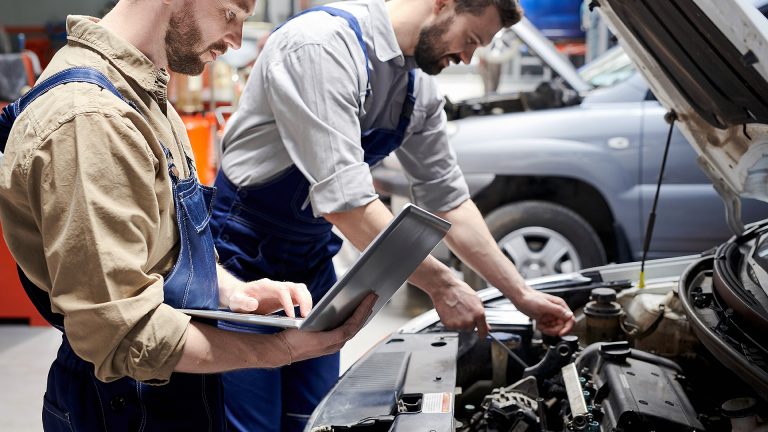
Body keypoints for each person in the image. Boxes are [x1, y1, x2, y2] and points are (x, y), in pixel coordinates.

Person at [0, 0, 375, 430]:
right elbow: (123, 333)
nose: (235, 40)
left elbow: (167, 252)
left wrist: (234, 293)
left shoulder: (142, 94)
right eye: (231, 13)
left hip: (170, 391)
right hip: (123, 406)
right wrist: (280, 352)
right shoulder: (91, 120)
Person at [210, 0, 577, 430]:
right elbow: (346, 205)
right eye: (472, 39)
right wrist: (443, 284)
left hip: (310, 269)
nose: (468, 57)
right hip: (241, 268)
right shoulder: (320, 47)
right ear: (443, 5)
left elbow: (450, 200)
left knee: (313, 420)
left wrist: (521, 295)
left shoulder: (416, 91)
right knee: (251, 425)